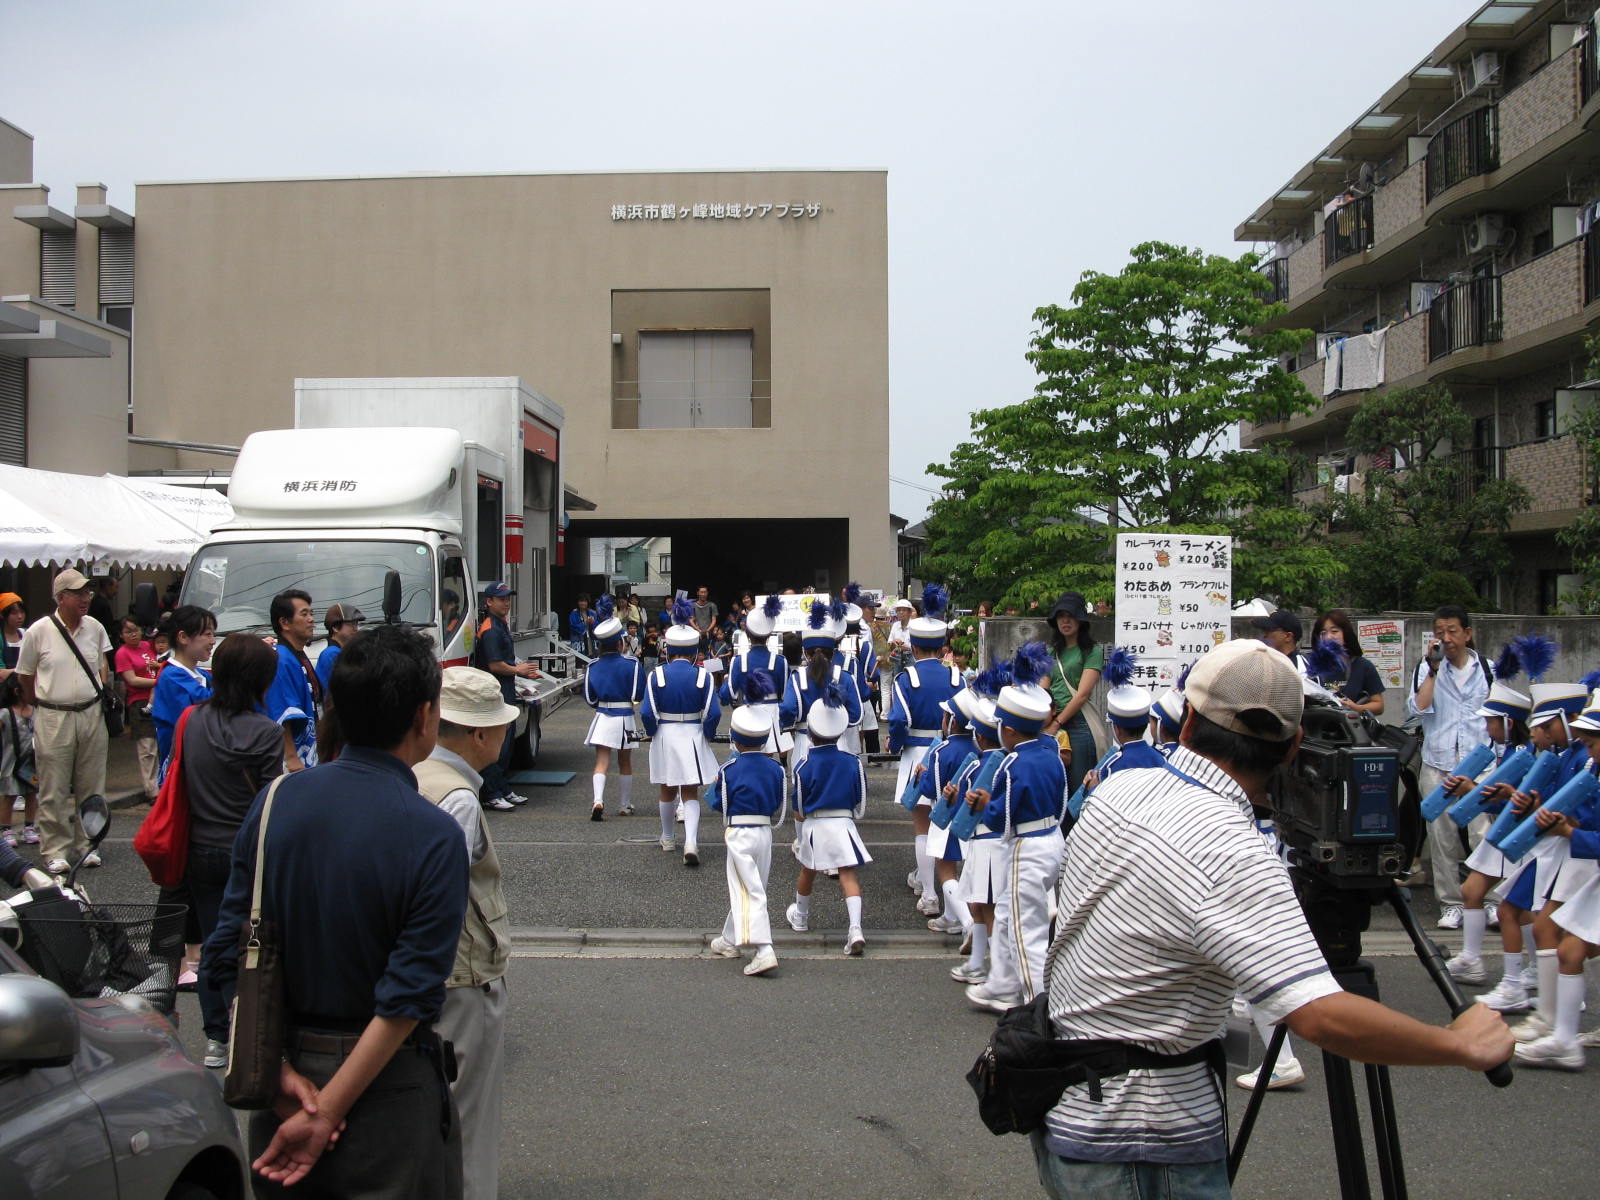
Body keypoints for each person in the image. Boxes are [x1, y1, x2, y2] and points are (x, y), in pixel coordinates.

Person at [1029, 639, 1512, 1197]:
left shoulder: (1123, 787)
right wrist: (1458, 1044)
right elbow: (1319, 1016)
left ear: (1185, 723)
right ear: (1293, 748)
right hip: (1145, 1143)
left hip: (1072, 1108)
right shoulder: (1231, 850)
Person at [203, 624, 469, 1197]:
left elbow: (226, 949)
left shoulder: (276, 802)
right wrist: (327, 1112)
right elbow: (409, 994)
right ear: (424, 716)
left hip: (281, 1070)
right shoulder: (433, 832)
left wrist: (276, 1079)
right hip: (386, 1083)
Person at [415, 666, 517, 1198]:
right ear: (478, 734)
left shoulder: (413, 773)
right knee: (469, 1123)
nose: (505, 733)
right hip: (460, 976)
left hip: (426, 978)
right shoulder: (456, 797)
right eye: (499, 725)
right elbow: (438, 904)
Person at [178, 632, 284, 1071]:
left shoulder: (192, 720)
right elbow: (268, 801)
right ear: (261, 681)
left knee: (210, 943)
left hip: (200, 845)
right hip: (248, 850)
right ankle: (248, 1025)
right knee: (251, 945)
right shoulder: (266, 732)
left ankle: (215, 1037)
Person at [963, 646, 1066, 1012]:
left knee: (1027, 932)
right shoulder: (1051, 751)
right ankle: (1002, 983)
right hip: (1051, 838)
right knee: (1006, 916)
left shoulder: (1012, 763)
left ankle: (1036, 1006)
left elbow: (1000, 819)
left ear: (1007, 729)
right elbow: (1062, 801)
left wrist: (980, 804)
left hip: (1027, 845)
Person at [14, 568, 114, 875]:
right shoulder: (39, 630)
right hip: (53, 713)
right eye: (79, 593)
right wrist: (36, 703)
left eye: (88, 593)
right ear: (61, 598)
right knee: (54, 786)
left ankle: (88, 845)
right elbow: (25, 675)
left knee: (92, 785)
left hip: (90, 712)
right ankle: (55, 849)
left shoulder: (95, 627)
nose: (86, 599)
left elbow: (102, 664)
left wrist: (100, 690)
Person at [1408, 604, 1495, 929]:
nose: (1446, 639)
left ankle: (1491, 899)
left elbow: (1498, 714)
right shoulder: (1428, 668)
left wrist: (1497, 755)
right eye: (1440, 632)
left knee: (1483, 833)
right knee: (1442, 836)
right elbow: (1417, 709)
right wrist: (1432, 670)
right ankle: (1451, 904)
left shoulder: (1487, 668)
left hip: (1478, 761)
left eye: (1452, 631)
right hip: (1439, 761)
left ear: (1467, 633)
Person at [886, 585, 963, 917]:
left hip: (918, 754)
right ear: (942, 645)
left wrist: (896, 743)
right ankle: (948, 888)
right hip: (953, 752)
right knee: (947, 822)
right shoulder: (957, 676)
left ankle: (929, 894)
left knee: (922, 825)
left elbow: (899, 721)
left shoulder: (908, 677)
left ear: (913, 646)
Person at [786, 683, 870, 956]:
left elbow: (798, 808)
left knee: (807, 872)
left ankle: (800, 916)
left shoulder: (804, 764)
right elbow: (860, 797)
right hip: (844, 822)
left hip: (815, 824)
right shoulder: (852, 761)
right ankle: (855, 928)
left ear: (810, 731)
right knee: (847, 873)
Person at [706, 705, 787, 976]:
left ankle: (764, 949)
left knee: (748, 890)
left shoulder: (729, 769)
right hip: (764, 831)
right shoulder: (776, 768)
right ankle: (729, 939)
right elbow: (777, 802)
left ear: (734, 738)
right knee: (752, 887)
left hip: (739, 831)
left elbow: (717, 802)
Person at [641, 599, 720, 866]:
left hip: (665, 733)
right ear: (694, 650)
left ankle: (667, 838)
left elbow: (646, 713)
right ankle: (691, 841)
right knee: (690, 791)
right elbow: (715, 712)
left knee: (667, 788)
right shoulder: (703, 676)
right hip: (693, 733)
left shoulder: (656, 675)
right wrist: (707, 732)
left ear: (669, 649)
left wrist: (653, 732)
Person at [475, 582, 538, 811]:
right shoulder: (490, 627)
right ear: (489, 602)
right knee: (496, 744)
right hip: (495, 692)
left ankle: (502, 788)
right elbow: (494, 664)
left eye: (508, 599)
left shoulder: (501, 624)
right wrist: (517, 670)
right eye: (501, 599)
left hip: (506, 690)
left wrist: (519, 667)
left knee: (507, 742)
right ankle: (491, 793)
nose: (506, 603)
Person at [1039, 592, 1106, 796]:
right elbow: (1043, 691)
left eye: (1070, 615)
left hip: (1078, 725)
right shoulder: (1051, 653)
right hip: (1051, 725)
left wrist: (1056, 724)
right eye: (1060, 616)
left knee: (1077, 790)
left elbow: (1082, 694)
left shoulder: (1092, 651)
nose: (1065, 621)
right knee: (1054, 788)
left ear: (1081, 619)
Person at [583, 596, 642, 820]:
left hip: (603, 715)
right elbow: (638, 694)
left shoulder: (593, 666)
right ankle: (625, 804)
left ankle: (598, 800)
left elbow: (589, 698)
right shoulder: (631, 664)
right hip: (625, 715)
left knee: (601, 761)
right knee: (624, 761)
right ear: (620, 643)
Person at [151, 605, 216, 777]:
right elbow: (205, 707)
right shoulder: (171, 676)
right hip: (183, 770)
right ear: (183, 637)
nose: (213, 641)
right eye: (207, 634)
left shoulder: (202, 675)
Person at [265, 589, 323, 772]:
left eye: (311, 614)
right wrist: (291, 758)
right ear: (284, 622)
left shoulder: (296, 654)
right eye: (304, 614)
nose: (311, 619)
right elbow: (282, 712)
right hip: (293, 758)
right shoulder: (281, 659)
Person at [114, 616, 160, 800]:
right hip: (139, 701)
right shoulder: (122, 653)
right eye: (128, 631)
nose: (133, 634)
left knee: (160, 744)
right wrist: (158, 680)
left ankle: (161, 784)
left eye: (136, 630)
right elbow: (131, 679)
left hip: (158, 698)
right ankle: (152, 790)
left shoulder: (149, 646)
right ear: (121, 635)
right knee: (147, 747)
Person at [1309, 609, 1386, 715]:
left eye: (1334, 631)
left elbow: (1379, 705)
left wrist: (1356, 708)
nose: (1329, 636)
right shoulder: (1310, 665)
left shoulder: (1363, 666)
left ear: (1346, 633)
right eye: (1323, 633)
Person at [0, 675, 38, 847]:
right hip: (11, 761)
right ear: (17, 691)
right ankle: (5, 829)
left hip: (31, 761)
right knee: (9, 795)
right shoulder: (5, 714)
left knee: (31, 794)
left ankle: (29, 827)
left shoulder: (35, 711)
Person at [316, 602, 365, 694]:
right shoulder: (331, 654)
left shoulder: (339, 652)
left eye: (357, 624)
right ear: (335, 627)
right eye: (352, 624)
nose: (356, 629)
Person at [0, 592, 26, 684]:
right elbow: (1, 675)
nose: (20, 616)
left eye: (22, 612)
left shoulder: (27, 633)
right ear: (2, 615)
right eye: (14, 613)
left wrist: (10, 671)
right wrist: (25, 671)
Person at [691, 585, 718, 650]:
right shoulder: (692, 605)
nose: (703, 594)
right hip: (696, 634)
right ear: (698, 593)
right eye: (701, 592)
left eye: (705, 592)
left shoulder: (712, 605)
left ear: (707, 593)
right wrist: (698, 630)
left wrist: (708, 630)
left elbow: (714, 619)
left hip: (709, 634)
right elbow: (691, 620)